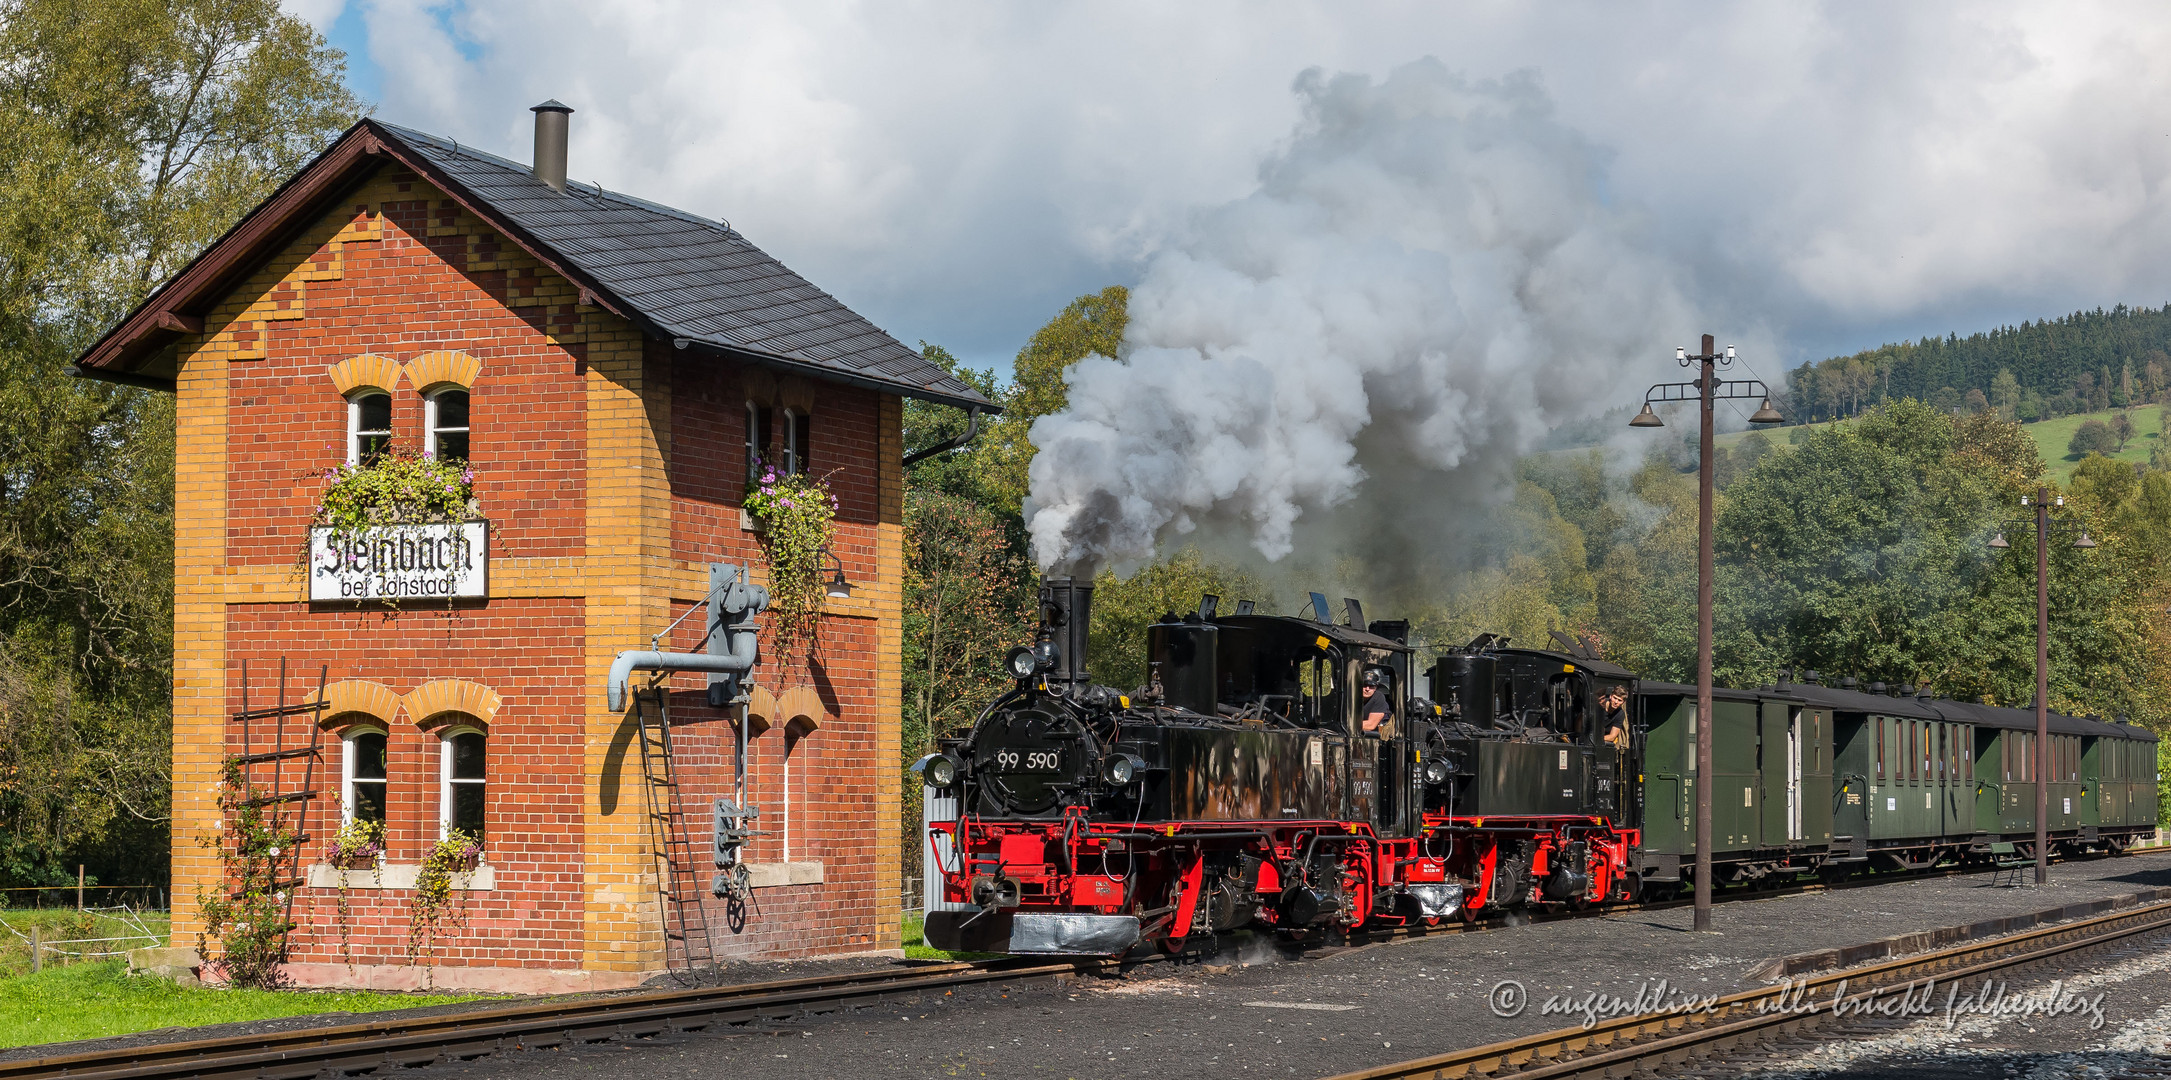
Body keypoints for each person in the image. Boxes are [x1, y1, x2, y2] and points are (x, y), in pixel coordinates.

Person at [1359, 668, 1393, 735]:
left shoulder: (1378, 697)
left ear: (1376, 688)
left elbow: (1370, 725)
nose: (1367, 689)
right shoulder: (1351, 696)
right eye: (1364, 685)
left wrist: (1346, 725)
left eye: (1371, 686)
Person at [1598, 684, 1629, 748]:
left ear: (1623, 702)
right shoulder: (1599, 706)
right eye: (1615, 698)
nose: (1616, 702)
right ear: (1610, 696)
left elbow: (1612, 737)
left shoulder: (1620, 714)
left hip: (1604, 743)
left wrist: (1598, 739)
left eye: (1619, 700)